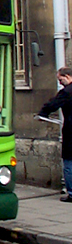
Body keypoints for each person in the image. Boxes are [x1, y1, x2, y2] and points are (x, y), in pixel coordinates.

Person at [37, 67, 72, 202]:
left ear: (67, 76)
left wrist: (43, 114)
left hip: (71, 130)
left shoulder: (66, 92)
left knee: (69, 162)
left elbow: (52, 104)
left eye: (60, 79)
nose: (60, 82)